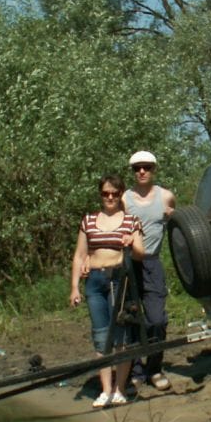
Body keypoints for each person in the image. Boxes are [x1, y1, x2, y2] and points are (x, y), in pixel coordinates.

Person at [70, 174, 145, 408]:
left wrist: (131, 241)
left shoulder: (131, 221)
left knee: (120, 336)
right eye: (105, 193)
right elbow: (79, 255)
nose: (110, 197)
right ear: (101, 195)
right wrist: (74, 287)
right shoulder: (89, 220)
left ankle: (120, 389)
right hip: (94, 280)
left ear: (120, 194)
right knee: (100, 336)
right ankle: (105, 390)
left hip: (118, 280)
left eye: (114, 193)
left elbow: (140, 254)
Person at [123, 151, 177, 391]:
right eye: (137, 168)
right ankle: (135, 371)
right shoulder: (124, 199)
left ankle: (155, 368)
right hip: (128, 265)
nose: (141, 172)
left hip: (153, 265)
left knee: (156, 320)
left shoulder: (166, 197)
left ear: (153, 169)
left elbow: (178, 225)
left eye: (146, 167)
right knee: (132, 318)